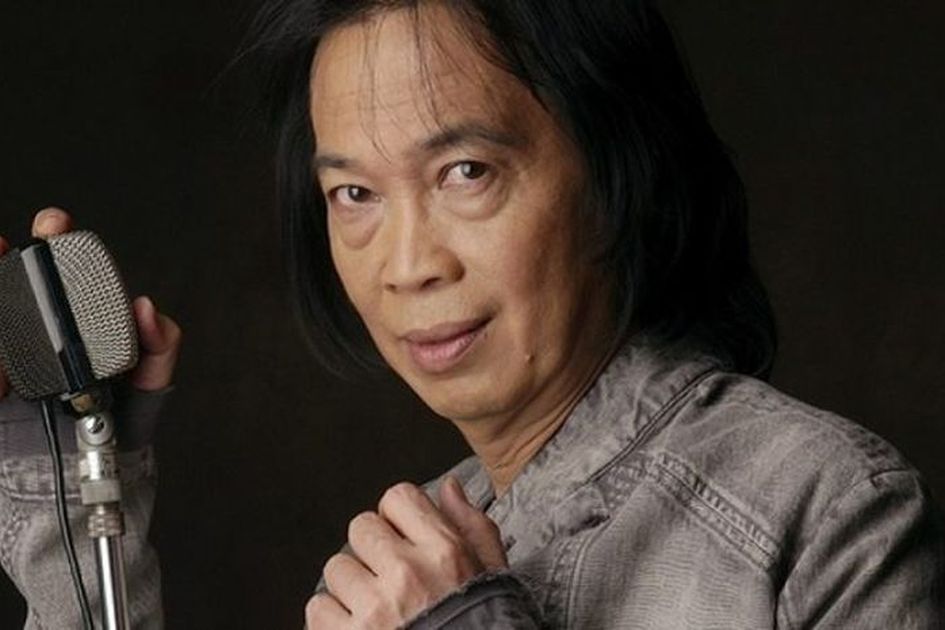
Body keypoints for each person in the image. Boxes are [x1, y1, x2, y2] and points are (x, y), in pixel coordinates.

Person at [0, 1, 942, 629]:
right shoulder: (390, 577)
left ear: (619, 173)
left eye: (466, 172)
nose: (409, 265)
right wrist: (74, 480)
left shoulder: (822, 509)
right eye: (355, 194)